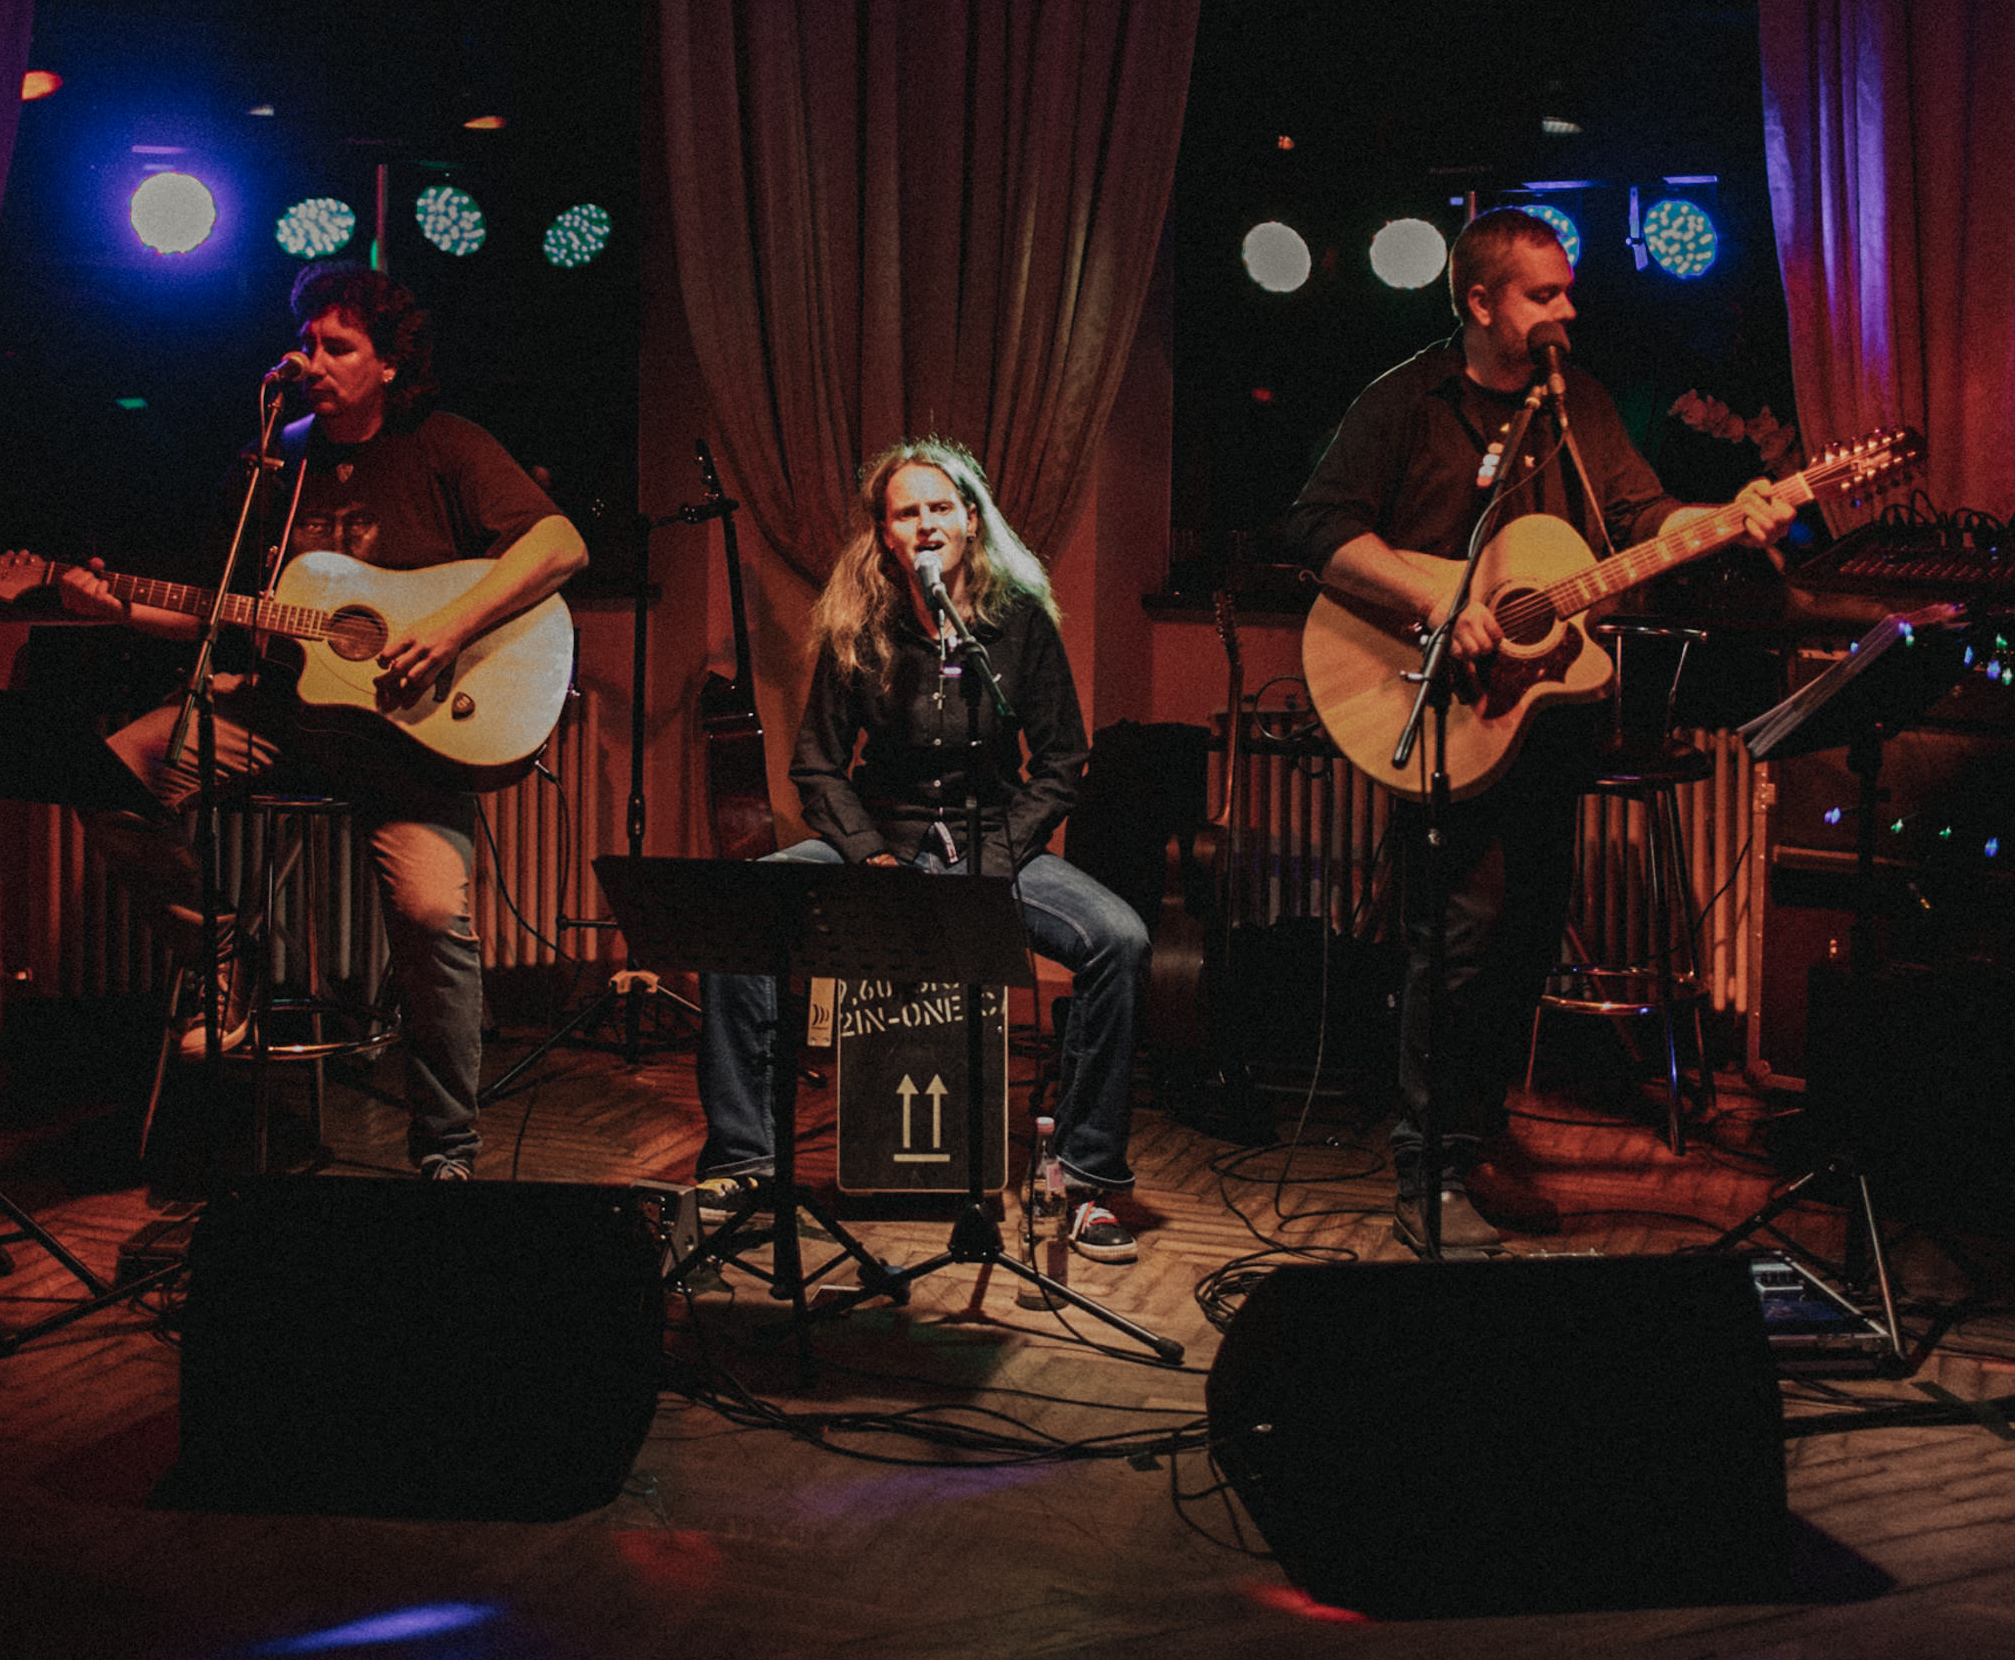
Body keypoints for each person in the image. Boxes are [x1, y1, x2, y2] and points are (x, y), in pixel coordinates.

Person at [1279, 208, 1792, 1251]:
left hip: (1549, 724)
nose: (1567, 308)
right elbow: (1314, 528)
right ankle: (1422, 1169)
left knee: (1522, 941)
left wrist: (1721, 515)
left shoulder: (1577, 403)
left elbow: (1639, 519)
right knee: (1451, 939)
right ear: (1479, 303)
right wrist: (1436, 603)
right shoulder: (1403, 404)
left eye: (1566, 289)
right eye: (1541, 293)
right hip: (1439, 708)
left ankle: (1473, 1138)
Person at [60, 261, 587, 1181]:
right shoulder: (275, 461)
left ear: (387, 364)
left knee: (430, 915)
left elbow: (559, 544)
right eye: (306, 341)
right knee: (106, 771)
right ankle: (227, 966)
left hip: (408, 742)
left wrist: (448, 624)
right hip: (279, 716)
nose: (311, 359)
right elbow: (226, 605)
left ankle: (446, 1150)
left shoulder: (445, 446)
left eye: (336, 345)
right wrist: (120, 608)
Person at [693, 439, 1153, 1262]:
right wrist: (867, 856)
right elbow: (817, 767)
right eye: (907, 512)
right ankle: (745, 1164)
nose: (926, 522)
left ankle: (1085, 1179)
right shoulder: (855, 627)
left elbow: (1059, 764)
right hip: (882, 839)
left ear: (972, 523)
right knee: (745, 911)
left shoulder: (1019, 625)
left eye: (941, 506)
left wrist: (997, 860)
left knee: (1119, 942)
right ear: (884, 537)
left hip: (992, 843)